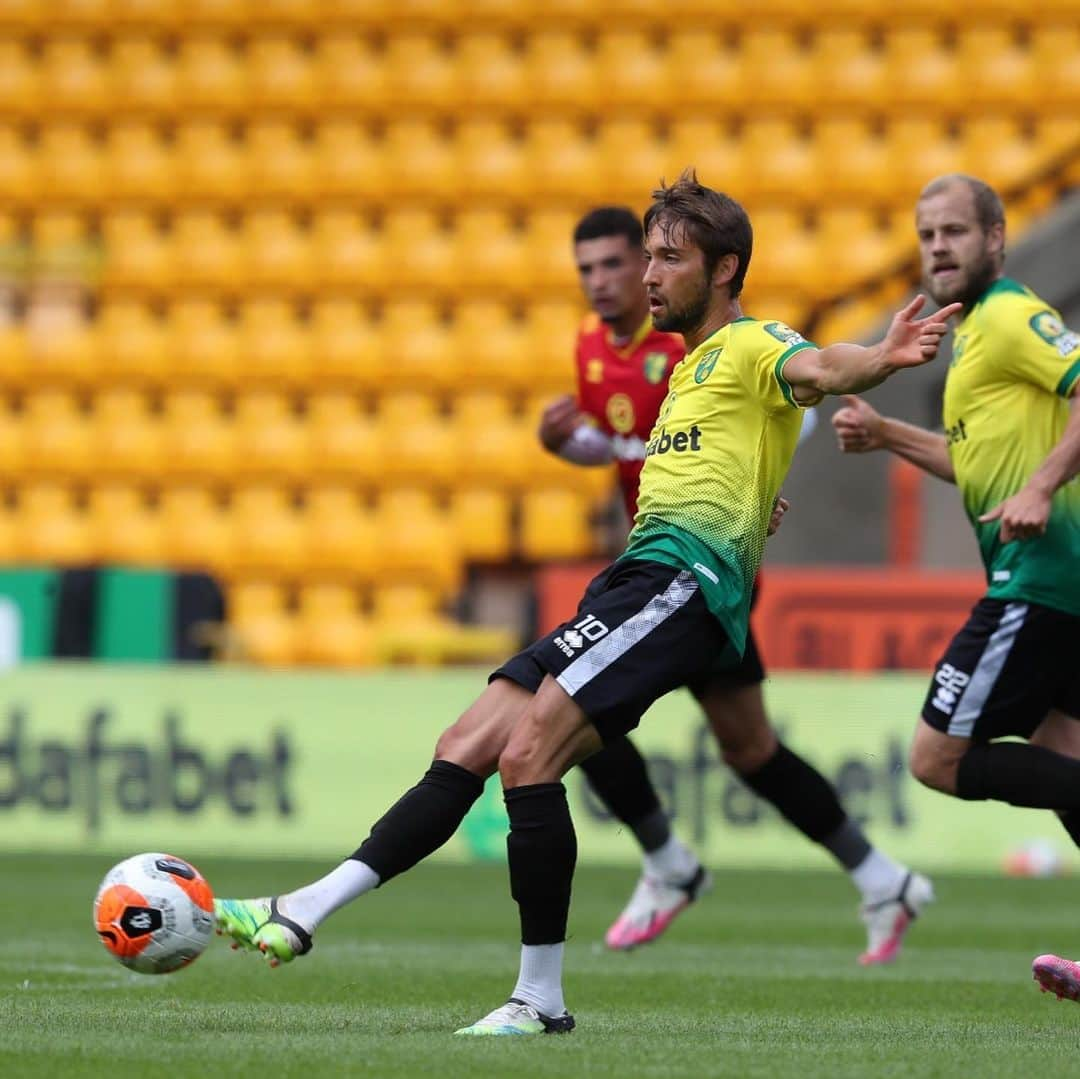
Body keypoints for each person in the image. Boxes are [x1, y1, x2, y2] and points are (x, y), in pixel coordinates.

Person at [216, 171, 959, 1036]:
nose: (649, 275)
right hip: (634, 576)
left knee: (534, 755)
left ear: (724, 270)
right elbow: (723, 461)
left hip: (680, 587)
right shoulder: (687, 374)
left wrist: (882, 356)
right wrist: (755, 505)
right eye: (646, 255)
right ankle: (305, 905)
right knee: (469, 741)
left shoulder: (756, 343)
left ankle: (539, 998)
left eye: (669, 258)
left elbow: (824, 365)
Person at [540, 205, 931, 960]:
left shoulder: (704, 347)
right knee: (749, 747)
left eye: (624, 262)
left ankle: (667, 860)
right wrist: (566, 444)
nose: (612, 280)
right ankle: (881, 877)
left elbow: (790, 396)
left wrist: (764, 481)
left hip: (697, 567)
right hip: (651, 561)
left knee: (565, 696)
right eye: (588, 269)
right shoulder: (597, 349)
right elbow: (630, 447)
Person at [829, 173, 1080, 1003]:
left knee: (938, 757)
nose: (938, 247)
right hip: (1055, 585)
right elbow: (971, 463)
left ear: (996, 240)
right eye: (927, 234)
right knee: (1060, 755)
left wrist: (1043, 485)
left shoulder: (1011, 316)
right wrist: (887, 431)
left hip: (1038, 580)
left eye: (955, 232)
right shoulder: (971, 337)